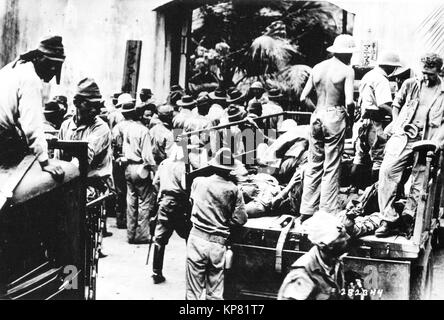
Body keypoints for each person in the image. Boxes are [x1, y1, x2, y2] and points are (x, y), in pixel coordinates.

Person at [376, 53, 444, 237]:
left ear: (439, 71)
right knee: (387, 172)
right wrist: (398, 125)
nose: (426, 76)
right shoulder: (410, 84)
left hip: (427, 139)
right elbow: (397, 105)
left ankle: (408, 217)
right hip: (404, 136)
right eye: (423, 72)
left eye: (430, 73)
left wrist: (437, 142)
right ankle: (387, 218)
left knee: (419, 180)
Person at [298, 34, 356, 221]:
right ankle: (327, 210)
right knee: (331, 165)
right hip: (334, 115)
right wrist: (350, 119)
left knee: (314, 163)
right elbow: (349, 102)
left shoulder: (318, 68)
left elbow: (303, 98)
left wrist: (317, 111)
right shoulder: (347, 70)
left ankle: (307, 209)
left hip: (317, 115)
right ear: (346, 53)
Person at [0, 35, 65, 180]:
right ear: (41, 60)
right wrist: (45, 161)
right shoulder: (31, 79)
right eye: (53, 67)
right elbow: (32, 124)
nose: (53, 73)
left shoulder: (13, 68)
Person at [186, 148, 247, 300]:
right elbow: (241, 219)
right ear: (230, 170)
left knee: (193, 291)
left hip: (197, 239)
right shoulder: (234, 190)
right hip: (218, 243)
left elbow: (192, 202)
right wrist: (225, 220)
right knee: (215, 293)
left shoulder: (198, 182)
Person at [58, 78, 114, 238]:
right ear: (77, 103)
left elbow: (85, 156)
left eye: (98, 106)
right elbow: (59, 157)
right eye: (91, 106)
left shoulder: (101, 127)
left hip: (90, 184)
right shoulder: (67, 126)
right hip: (70, 182)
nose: (95, 110)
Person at [151, 143, 200, 284]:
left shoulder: (164, 164)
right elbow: (187, 187)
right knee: (189, 236)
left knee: (159, 238)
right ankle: (193, 272)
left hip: (165, 202)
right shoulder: (184, 166)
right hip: (180, 203)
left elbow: (155, 183)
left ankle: (156, 272)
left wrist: (161, 194)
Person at [351, 52, 401, 189]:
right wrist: (397, 117)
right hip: (374, 122)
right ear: (390, 67)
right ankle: (374, 193)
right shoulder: (381, 79)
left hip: (362, 121)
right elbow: (383, 104)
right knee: (379, 159)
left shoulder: (368, 76)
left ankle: (355, 188)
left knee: (360, 156)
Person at [112, 98, 156, 243]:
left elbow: (123, 149)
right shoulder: (144, 131)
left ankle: (130, 234)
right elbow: (147, 156)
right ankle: (142, 235)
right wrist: (154, 169)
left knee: (130, 200)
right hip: (140, 167)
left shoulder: (127, 129)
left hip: (128, 166)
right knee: (144, 202)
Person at [278, 211, 350, 300]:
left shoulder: (334, 261)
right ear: (327, 244)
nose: (348, 238)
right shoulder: (303, 274)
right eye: (341, 237)